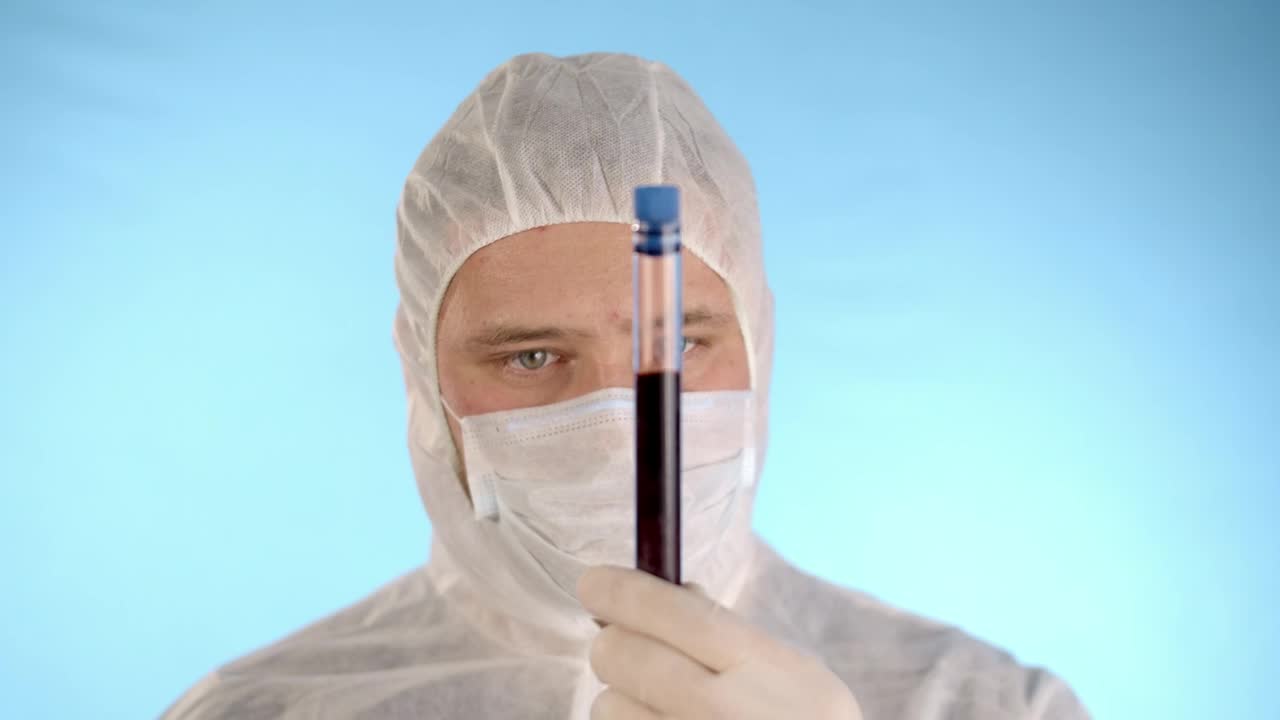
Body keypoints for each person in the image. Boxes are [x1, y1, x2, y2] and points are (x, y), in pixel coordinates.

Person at [163, 52, 1089, 720]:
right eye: (531, 357)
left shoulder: (984, 707)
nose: (622, 431)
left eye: (679, 348)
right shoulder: (258, 712)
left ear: (759, 354)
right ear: (427, 385)